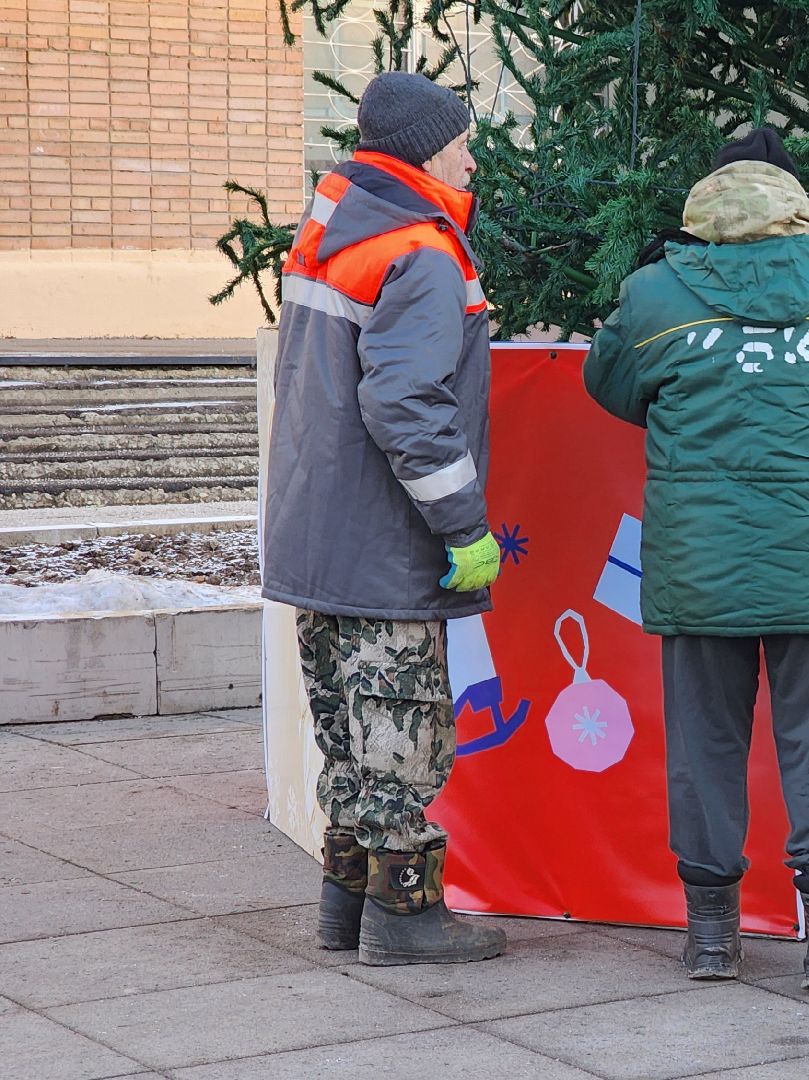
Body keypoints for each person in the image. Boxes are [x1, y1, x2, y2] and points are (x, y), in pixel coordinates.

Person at [583, 127, 809, 993]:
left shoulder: (655, 293)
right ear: (798, 205)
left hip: (699, 566)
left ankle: (711, 939)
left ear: (707, 206)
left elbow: (609, 385)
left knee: (704, 747)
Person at [262, 72, 506, 966]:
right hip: (382, 537)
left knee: (347, 730)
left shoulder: (337, 228)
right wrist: (463, 526)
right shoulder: (421, 250)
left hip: (318, 531)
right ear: (424, 151)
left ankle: (346, 907)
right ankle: (406, 921)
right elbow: (408, 403)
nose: (472, 155)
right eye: (462, 142)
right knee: (401, 728)